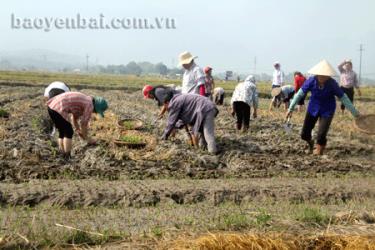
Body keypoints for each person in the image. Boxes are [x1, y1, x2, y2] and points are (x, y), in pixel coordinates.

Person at [286, 60, 360, 155]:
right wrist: (290, 108)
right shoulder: (311, 81)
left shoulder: (332, 84)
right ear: (317, 74)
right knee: (304, 134)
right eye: (320, 75)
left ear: (329, 75)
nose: (322, 77)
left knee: (321, 135)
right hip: (313, 108)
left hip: (327, 110)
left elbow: (344, 98)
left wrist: (355, 113)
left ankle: (320, 150)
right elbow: (299, 94)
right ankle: (311, 143)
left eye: (325, 75)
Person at [47, 92, 108, 159]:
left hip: (52, 107)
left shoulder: (85, 100)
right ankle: (67, 156)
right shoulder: (90, 105)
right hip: (59, 107)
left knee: (62, 131)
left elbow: (74, 118)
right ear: (96, 107)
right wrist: (87, 139)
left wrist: (78, 130)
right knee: (68, 131)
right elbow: (84, 124)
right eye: (96, 111)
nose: (94, 113)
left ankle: (62, 153)